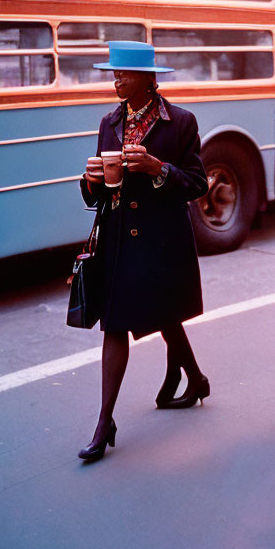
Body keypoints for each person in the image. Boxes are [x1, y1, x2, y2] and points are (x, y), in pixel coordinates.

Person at [77, 41, 210, 462]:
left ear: (148, 80)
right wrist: (92, 180)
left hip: (162, 238)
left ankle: (196, 378)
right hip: (117, 238)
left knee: (165, 313)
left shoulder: (181, 122)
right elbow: (95, 196)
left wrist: (158, 169)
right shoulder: (109, 122)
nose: (116, 80)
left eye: (124, 75)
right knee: (116, 325)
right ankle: (104, 422)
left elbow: (197, 183)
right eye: (113, 73)